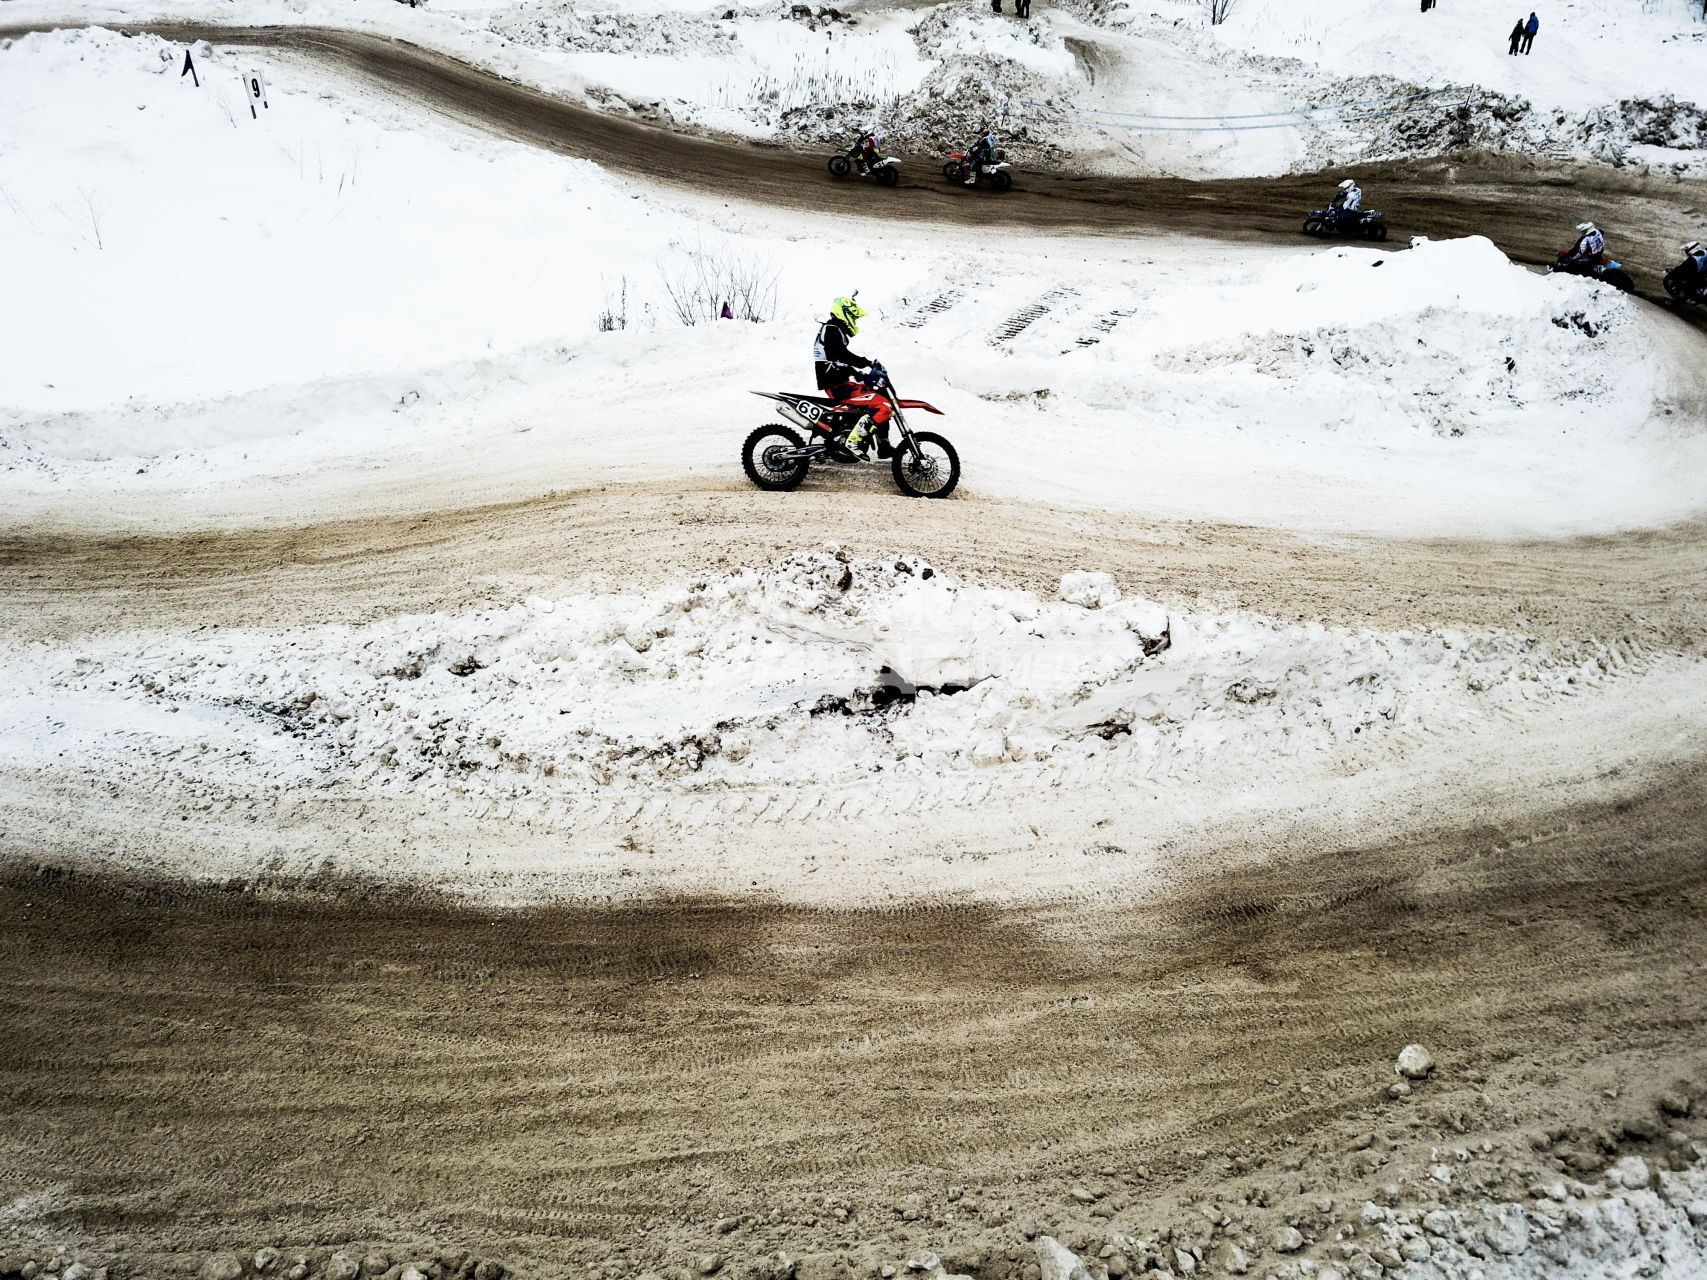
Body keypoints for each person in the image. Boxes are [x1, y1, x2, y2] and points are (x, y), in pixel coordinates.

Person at [813, 295, 890, 455]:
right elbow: (843, 356)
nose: (854, 321)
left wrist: (859, 374)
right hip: (836, 386)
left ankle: (883, 445)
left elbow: (839, 361)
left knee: (879, 394)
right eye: (853, 317)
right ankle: (852, 442)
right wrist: (866, 363)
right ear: (844, 313)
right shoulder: (832, 329)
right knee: (882, 405)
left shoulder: (833, 330)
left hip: (840, 383)